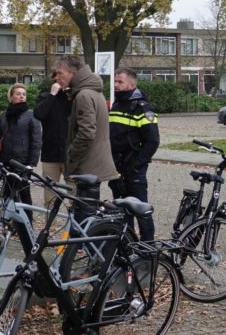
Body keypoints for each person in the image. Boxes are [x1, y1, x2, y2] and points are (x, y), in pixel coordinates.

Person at [54, 55, 118, 219]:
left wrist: (71, 157)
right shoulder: (92, 91)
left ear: (73, 72)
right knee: (86, 214)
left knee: (84, 217)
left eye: (60, 73)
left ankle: (86, 245)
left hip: (88, 166)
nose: (57, 77)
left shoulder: (83, 95)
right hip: (93, 164)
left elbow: (86, 133)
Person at [108, 67, 159, 241]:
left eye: (119, 81)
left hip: (134, 169)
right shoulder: (116, 104)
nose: (115, 85)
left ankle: (147, 250)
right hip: (117, 168)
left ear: (131, 84)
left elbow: (152, 141)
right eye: (115, 81)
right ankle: (128, 247)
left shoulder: (142, 108)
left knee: (141, 211)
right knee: (122, 211)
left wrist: (136, 164)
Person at [0, 83, 42, 219]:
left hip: (22, 162)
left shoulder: (31, 115)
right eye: (18, 94)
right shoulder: (5, 115)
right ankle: (7, 222)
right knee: (7, 193)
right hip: (6, 160)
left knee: (24, 194)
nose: (21, 97)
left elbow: (36, 141)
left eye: (24, 94)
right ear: (11, 97)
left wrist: (32, 163)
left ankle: (27, 223)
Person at [33, 73, 70, 207]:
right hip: (50, 154)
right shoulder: (45, 96)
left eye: (62, 77)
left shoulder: (73, 96)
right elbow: (38, 114)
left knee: (74, 197)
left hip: (70, 154)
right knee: (49, 198)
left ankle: (75, 227)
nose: (59, 80)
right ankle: (49, 226)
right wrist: (52, 95)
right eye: (57, 77)